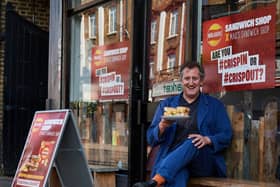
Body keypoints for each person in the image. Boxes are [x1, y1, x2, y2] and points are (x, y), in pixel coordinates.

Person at [133, 61, 233, 187]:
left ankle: (157, 179)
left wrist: (207, 139)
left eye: (195, 78)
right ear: (181, 81)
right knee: (179, 173)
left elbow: (226, 135)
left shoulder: (215, 105)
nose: (191, 83)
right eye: (187, 78)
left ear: (201, 81)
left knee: (192, 141)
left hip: (202, 161)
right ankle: (159, 180)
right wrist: (162, 126)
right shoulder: (167, 105)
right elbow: (150, 138)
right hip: (175, 161)